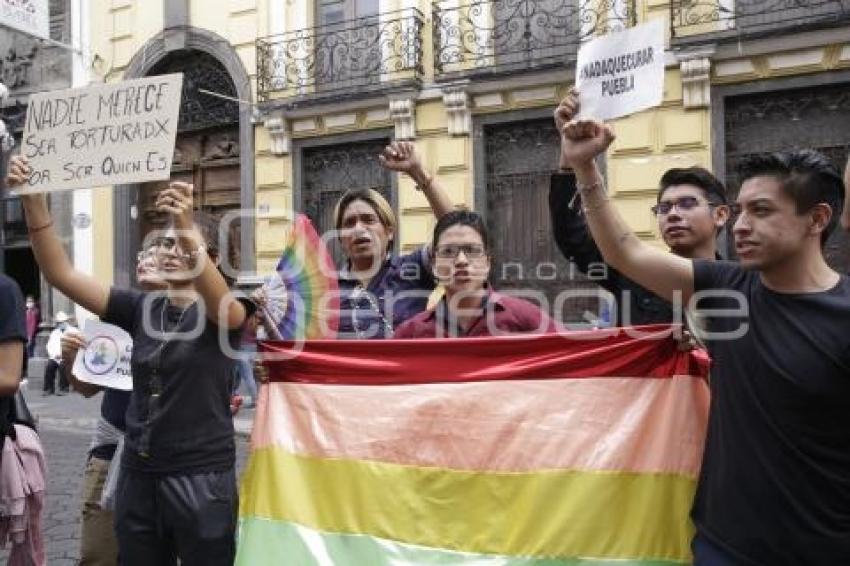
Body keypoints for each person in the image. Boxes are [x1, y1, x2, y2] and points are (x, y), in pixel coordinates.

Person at [557, 91, 849, 565]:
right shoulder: (725, 287)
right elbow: (624, 251)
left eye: (762, 211)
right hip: (720, 546)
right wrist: (585, 169)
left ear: (817, 219)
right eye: (740, 210)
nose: (740, 226)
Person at [7, 155, 254, 565]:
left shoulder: (225, 310)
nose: (170, 251)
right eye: (166, 243)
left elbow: (227, 313)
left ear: (209, 254)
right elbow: (61, 274)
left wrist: (185, 226)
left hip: (202, 479)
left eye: (183, 243)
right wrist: (34, 202)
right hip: (138, 476)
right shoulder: (140, 307)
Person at [550, 89, 729, 326]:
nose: (673, 214)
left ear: (720, 214)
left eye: (687, 204)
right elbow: (572, 236)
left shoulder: (742, 283)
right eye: (664, 208)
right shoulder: (635, 275)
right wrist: (570, 161)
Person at [59, 243, 165, 566]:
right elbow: (87, 388)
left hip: (166, 461)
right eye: (140, 255)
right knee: (99, 554)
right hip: (110, 455)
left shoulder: (196, 322)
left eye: (154, 254)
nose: (143, 261)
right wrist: (71, 360)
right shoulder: (120, 313)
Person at [336, 141, 454, 338]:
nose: (358, 229)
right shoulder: (324, 288)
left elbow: (455, 231)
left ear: (389, 231)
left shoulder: (412, 269)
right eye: (349, 223)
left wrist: (419, 173)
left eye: (368, 220)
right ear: (340, 237)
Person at [395, 210, 555, 338]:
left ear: (487, 263)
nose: (461, 260)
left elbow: (570, 355)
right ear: (434, 265)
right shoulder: (412, 333)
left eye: (472, 250)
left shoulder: (524, 318)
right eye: (448, 251)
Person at [43, 311, 76, 396]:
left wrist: (64, 355)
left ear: (66, 321)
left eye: (62, 322)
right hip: (55, 357)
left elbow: (75, 346)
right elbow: (49, 346)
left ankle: (64, 388)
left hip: (68, 357)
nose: (60, 324)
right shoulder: (54, 332)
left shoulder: (74, 331)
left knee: (63, 366)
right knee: (49, 366)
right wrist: (54, 355)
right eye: (59, 323)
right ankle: (48, 389)